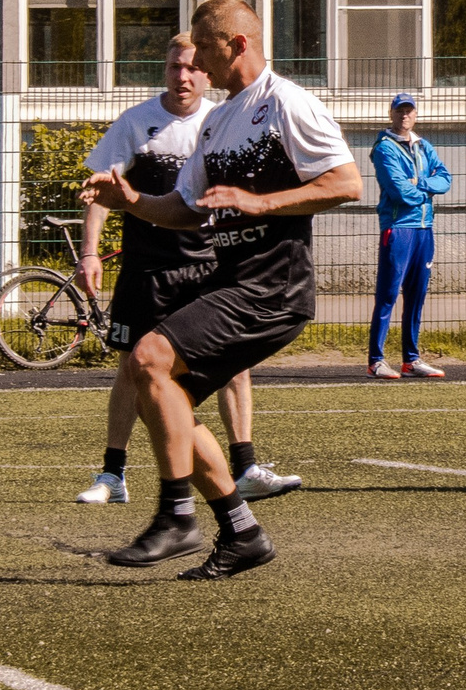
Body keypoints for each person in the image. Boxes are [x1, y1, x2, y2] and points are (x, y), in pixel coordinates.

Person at [81, 0, 358, 580]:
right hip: (230, 281)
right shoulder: (217, 120)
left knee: (150, 357)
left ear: (236, 44)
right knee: (161, 387)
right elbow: (182, 208)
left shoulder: (287, 104)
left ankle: (177, 515)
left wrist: (261, 202)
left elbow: (346, 182)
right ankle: (240, 531)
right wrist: (129, 201)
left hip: (273, 287)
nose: (196, 63)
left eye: (203, 47)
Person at [72, 34, 303, 508]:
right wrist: (90, 252)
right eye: (174, 66)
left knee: (233, 368)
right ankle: (113, 474)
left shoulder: (223, 123)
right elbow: (104, 191)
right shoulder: (137, 122)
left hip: (208, 266)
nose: (183, 76)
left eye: (192, 68)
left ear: (208, 74)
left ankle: (246, 468)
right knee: (132, 368)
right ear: (166, 69)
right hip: (149, 269)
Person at [368, 90, 452, 379]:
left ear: (416, 114)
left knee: (416, 296)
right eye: (400, 110)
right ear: (391, 114)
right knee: (388, 294)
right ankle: (376, 360)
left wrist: (420, 182)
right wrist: (423, 190)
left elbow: (445, 180)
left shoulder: (423, 146)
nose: (405, 115)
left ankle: (411, 360)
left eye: (409, 110)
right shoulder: (384, 148)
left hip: (424, 230)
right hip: (399, 228)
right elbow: (399, 191)